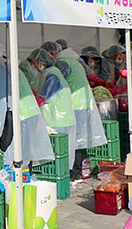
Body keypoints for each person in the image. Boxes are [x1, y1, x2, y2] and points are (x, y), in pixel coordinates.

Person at [45, 40, 106, 179]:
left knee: (76, 139)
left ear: (53, 53)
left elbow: (58, 82)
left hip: (75, 104)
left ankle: (74, 172)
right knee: (80, 138)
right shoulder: (73, 60)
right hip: (82, 102)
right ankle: (77, 171)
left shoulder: (61, 63)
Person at [28, 48, 76, 170]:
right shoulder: (50, 73)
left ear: (40, 62)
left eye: (34, 63)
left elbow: (45, 97)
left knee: (57, 152)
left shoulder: (52, 75)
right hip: (61, 118)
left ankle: (60, 173)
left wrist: (30, 101)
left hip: (58, 120)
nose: (33, 67)